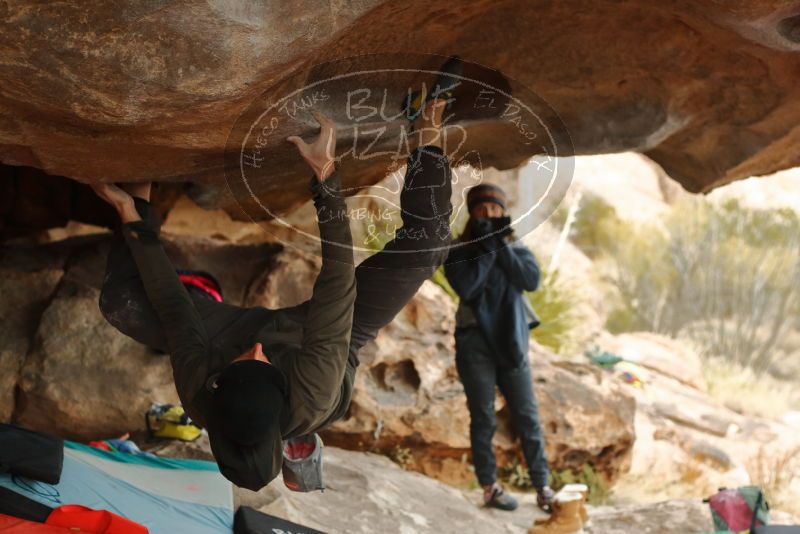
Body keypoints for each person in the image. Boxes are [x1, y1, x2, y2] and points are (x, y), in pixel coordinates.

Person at [91, 97, 453, 491]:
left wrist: (134, 218)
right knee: (429, 244)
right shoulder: (314, 391)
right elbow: (337, 283)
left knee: (120, 303)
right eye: (261, 361)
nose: (259, 349)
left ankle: (141, 193)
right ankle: (427, 129)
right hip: (332, 335)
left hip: (228, 340)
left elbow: (175, 310)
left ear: (218, 386)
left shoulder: (200, 395)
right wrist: (325, 178)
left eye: (249, 361)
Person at [444, 184, 555, 512]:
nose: (489, 215)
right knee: (483, 417)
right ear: (472, 212)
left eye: (495, 210)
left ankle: (543, 487)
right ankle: (490, 487)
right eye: (483, 210)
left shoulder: (514, 246)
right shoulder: (460, 249)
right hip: (474, 342)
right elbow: (468, 286)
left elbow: (530, 280)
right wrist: (486, 244)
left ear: (502, 212)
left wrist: (497, 243)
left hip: (512, 340)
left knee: (527, 416)